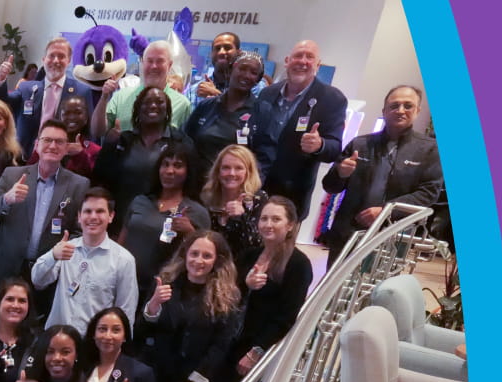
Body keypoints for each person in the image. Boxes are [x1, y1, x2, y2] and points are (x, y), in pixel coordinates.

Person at [140, 230, 244, 382]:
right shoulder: (164, 283)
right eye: (194, 254)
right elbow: (143, 329)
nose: (199, 261)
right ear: (185, 254)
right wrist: (153, 305)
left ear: (217, 260)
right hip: (156, 377)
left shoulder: (227, 296)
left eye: (207, 256)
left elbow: (220, 346)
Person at [320, 84, 443, 264]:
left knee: (378, 282)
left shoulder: (429, 150)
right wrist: (340, 173)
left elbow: (428, 194)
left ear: (417, 110)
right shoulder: (360, 144)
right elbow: (330, 186)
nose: (400, 110)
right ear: (384, 111)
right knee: (336, 281)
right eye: (394, 105)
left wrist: (386, 211)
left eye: (408, 106)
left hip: (392, 236)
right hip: (347, 235)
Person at [0, 120, 90, 293]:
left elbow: (80, 230)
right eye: (47, 140)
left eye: (59, 142)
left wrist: (64, 250)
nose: (53, 146)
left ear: (67, 148)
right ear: (37, 145)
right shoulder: (12, 175)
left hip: (48, 274)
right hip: (4, 272)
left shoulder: (79, 185)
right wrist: (7, 199)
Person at [256, 39, 347, 213]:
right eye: (298, 56)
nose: (303, 61)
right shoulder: (267, 93)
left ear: (318, 65)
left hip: (291, 196)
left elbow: (335, 148)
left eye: (310, 57)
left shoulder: (332, 99)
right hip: (256, 186)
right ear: (287, 61)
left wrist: (319, 145)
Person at [229, 196, 315, 381]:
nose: (268, 224)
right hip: (231, 341)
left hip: (259, 350)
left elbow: (287, 316)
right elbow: (228, 294)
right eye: (264, 218)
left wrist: (256, 351)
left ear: (290, 225)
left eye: (276, 219)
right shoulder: (249, 255)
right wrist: (246, 285)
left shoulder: (298, 264)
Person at [31, 187, 139, 331]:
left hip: (94, 341)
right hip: (58, 338)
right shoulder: (65, 248)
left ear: (111, 216)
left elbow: (126, 312)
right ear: (79, 216)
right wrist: (53, 256)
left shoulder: (124, 260)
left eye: (100, 211)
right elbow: (38, 281)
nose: (93, 217)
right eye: (88, 211)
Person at [119, 144, 211, 304]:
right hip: (126, 283)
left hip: (164, 290)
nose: (169, 171)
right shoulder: (140, 201)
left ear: (188, 172)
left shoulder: (197, 212)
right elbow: (121, 241)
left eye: (177, 166)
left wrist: (190, 232)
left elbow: (205, 254)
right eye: (165, 164)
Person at [93, 86, 195, 223]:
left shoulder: (181, 142)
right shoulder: (121, 141)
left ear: (168, 109)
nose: (153, 105)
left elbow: (192, 184)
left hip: (165, 222)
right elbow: (100, 180)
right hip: (122, 220)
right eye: (146, 102)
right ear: (137, 109)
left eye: (159, 102)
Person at [0, 40, 92, 157]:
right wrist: (1, 78)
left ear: (68, 61)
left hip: (64, 159)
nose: (56, 60)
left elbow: (90, 131)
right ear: (44, 60)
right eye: (51, 56)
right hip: (25, 157)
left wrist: (83, 151)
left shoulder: (81, 91)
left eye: (61, 56)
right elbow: (2, 102)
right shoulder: (26, 88)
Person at [185, 49, 273, 176]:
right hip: (199, 182)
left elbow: (265, 157)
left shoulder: (263, 112)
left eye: (254, 73)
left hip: (236, 184)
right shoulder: (206, 106)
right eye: (242, 68)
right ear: (230, 70)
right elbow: (187, 141)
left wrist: (252, 184)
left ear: (258, 80)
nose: (247, 75)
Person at [92, 40, 193, 139]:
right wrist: (104, 98)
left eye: (160, 61)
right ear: (142, 63)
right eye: (149, 61)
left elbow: (187, 143)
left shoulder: (182, 104)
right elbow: (97, 132)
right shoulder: (121, 97)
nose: (154, 66)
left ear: (169, 65)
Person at [203, 144, 269, 275]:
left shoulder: (258, 199)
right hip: (209, 267)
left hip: (243, 270)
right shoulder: (207, 196)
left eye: (239, 168)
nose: (231, 173)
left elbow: (257, 244)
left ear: (248, 172)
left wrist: (240, 218)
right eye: (226, 168)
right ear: (218, 171)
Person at [26, 94, 100, 181]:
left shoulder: (95, 150)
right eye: (67, 113)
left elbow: (94, 181)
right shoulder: (48, 145)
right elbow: (28, 173)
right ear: (60, 116)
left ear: (86, 117)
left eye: (78, 113)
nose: (72, 117)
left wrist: (80, 155)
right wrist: (39, 151)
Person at [185, 32, 264, 105]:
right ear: (211, 54)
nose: (221, 52)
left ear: (238, 53)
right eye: (217, 48)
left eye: (227, 48)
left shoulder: (253, 85)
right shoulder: (195, 90)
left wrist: (216, 95)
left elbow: (254, 113)